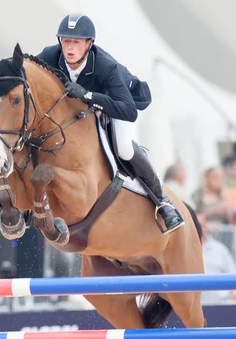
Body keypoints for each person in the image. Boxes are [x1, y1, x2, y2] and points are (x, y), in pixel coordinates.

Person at [37, 14, 184, 234]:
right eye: (66, 41)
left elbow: (128, 111)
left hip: (118, 105)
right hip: (80, 109)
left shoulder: (106, 66)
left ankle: (162, 202)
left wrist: (87, 95)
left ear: (89, 44)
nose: (69, 48)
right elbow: (25, 71)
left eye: (76, 42)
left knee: (123, 148)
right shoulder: (51, 55)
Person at [197, 214, 236, 304]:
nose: (201, 228)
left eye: (203, 224)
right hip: (194, 306)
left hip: (221, 304)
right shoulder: (184, 251)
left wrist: (231, 300)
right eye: (198, 225)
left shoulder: (220, 249)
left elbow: (234, 275)